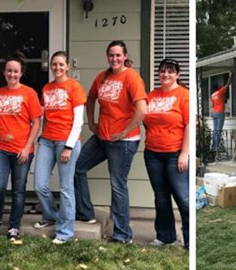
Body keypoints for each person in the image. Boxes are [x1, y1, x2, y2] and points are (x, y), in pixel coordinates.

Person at [73, 41, 147, 243]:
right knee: (77, 167)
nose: (114, 59)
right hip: (102, 137)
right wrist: (92, 122)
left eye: (118, 55)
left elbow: (142, 110)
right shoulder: (103, 77)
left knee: (117, 185)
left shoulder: (131, 77)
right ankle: (86, 213)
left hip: (124, 141)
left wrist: (124, 131)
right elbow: (90, 98)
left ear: (125, 56)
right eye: (111, 55)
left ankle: (123, 235)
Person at [33, 51, 86, 244]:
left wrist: (69, 147)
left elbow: (79, 121)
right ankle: (50, 216)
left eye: (61, 64)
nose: (57, 68)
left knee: (66, 188)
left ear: (67, 67)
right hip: (47, 140)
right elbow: (43, 114)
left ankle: (65, 231)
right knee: (39, 184)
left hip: (66, 142)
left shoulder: (75, 87)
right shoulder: (46, 88)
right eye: (54, 64)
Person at [0, 52, 42, 240]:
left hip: (22, 150)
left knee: (19, 189)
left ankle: (14, 226)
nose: (12, 74)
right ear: (4, 73)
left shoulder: (29, 93)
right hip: (0, 149)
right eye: (9, 71)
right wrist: (0, 139)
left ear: (21, 73)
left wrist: (27, 147)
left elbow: (36, 122)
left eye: (16, 71)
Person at [143, 59, 190, 249]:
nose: (166, 74)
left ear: (177, 75)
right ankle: (165, 236)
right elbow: (145, 119)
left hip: (174, 154)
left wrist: (184, 153)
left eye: (170, 71)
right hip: (152, 153)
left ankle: (190, 241)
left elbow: (188, 125)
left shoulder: (184, 95)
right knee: (161, 196)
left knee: (183, 198)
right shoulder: (151, 95)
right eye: (162, 71)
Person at [210, 72, 231, 151]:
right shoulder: (219, 92)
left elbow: (212, 105)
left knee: (215, 130)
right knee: (218, 130)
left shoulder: (212, 95)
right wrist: (230, 76)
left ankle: (213, 146)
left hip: (214, 112)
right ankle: (216, 147)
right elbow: (227, 85)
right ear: (218, 87)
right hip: (219, 112)